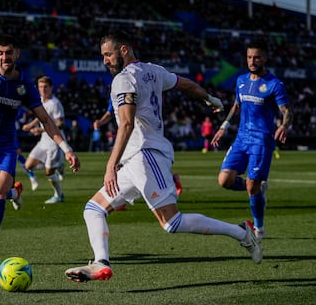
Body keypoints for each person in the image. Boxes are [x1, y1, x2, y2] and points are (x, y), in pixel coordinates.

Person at [65, 31, 262, 283]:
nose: (105, 60)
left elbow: (125, 124)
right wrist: (209, 98)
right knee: (93, 209)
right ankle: (101, 263)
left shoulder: (123, 80)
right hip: (137, 159)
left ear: (124, 50)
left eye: (108, 54)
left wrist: (110, 165)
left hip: (146, 155)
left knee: (171, 223)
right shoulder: (154, 71)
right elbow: (188, 85)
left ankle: (242, 233)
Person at [0, 35, 80, 269]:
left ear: (17, 53)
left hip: (5, 146)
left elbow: (46, 120)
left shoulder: (24, 85)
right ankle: (14, 193)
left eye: (8, 52)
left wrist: (67, 149)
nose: (4, 57)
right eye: (0, 52)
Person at [211, 41, 293, 241]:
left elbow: (287, 111)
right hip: (241, 138)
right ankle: (258, 189)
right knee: (224, 180)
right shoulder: (241, 80)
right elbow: (236, 106)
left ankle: (259, 228)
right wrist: (223, 126)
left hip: (262, 141)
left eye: (256, 57)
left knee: (250, 187)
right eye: (249, 57)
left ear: (264, 58)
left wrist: (284, 125)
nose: (252, 61)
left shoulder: (274, 84)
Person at [22, 75, 67, 204]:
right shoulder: (41, 100)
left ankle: (59, 195)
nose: (43, 89)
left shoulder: (55, 103)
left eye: (45, 87)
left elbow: (60, 123)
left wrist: (40, 129)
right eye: (40, 87)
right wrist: (31, 125)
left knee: (49, 172)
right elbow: (41, 116)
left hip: (54, 141)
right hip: (43, 141)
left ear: (51, 87)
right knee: (28, 166)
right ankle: (58, 165)